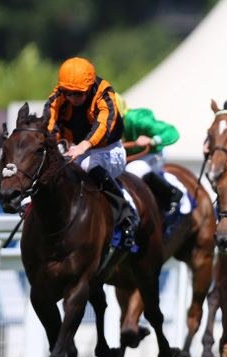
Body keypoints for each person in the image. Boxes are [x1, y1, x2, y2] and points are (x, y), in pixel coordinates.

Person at [45, 57, 136, 247]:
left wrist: (84, 145)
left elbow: (104, 124)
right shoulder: (57, 96)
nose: (72, 98)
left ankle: (125, 214)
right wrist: (59, 145)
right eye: (67, 93)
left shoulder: (104, 93)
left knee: (87, 164)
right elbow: (49, 122)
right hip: (73, 148)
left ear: (89, 87)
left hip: (110, 150)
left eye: (77, 94)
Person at [114, 94, 183, 217]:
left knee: (134, 169)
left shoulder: (137, 119)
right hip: (126, 159)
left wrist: (152, 140)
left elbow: (172, 132)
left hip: (153, 154)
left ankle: (171, 194)